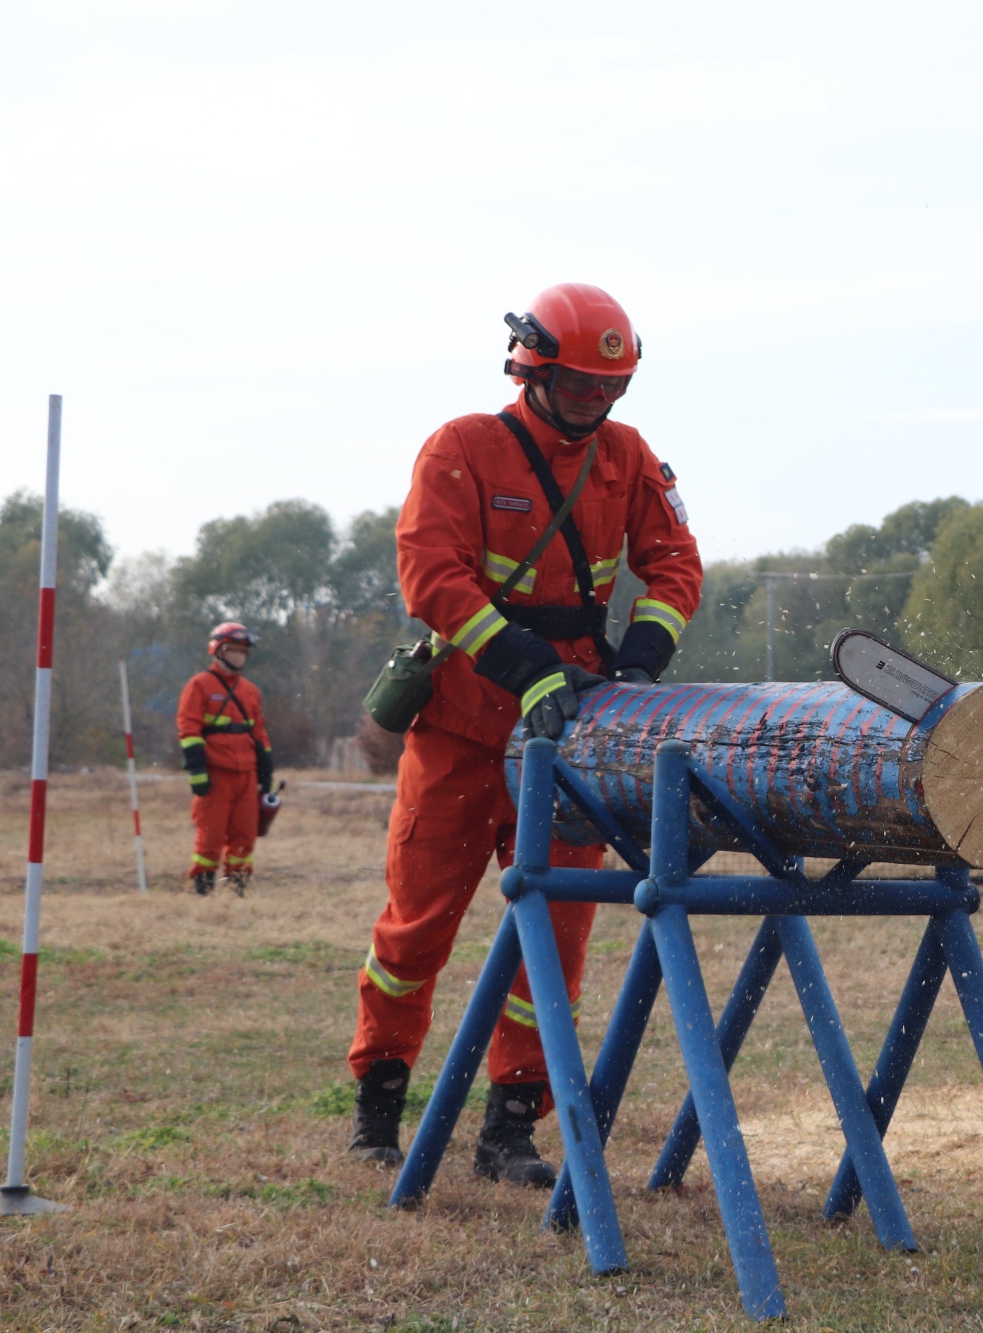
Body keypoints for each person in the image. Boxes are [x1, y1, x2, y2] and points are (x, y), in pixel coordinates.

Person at [348, 283, 703, 1189]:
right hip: (463, 727)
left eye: (611, 387)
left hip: (574, 734)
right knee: (416, 927)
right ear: (531, 368)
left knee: (556, 936)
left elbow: (673, 564)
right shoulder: (463, 448)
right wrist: (524, 664)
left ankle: (512, 1126)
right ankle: (379, 1101)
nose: (596, 401)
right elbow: (432, 576)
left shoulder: (629, 457)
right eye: (581, 384)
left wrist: (640, 662)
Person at [176, 622, 273, 897]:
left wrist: (266, 774)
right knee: (211, 833)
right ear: (218, 650)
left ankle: (237, 886)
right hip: (215, 772)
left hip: (247, 774)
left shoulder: (250, 691)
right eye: (233, 650)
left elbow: (259, 734)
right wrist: (197, 770)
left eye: (243, 651)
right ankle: (203, 887)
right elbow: (189, 729)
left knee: (245, 833)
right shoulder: (199, 685)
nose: (239, 656)